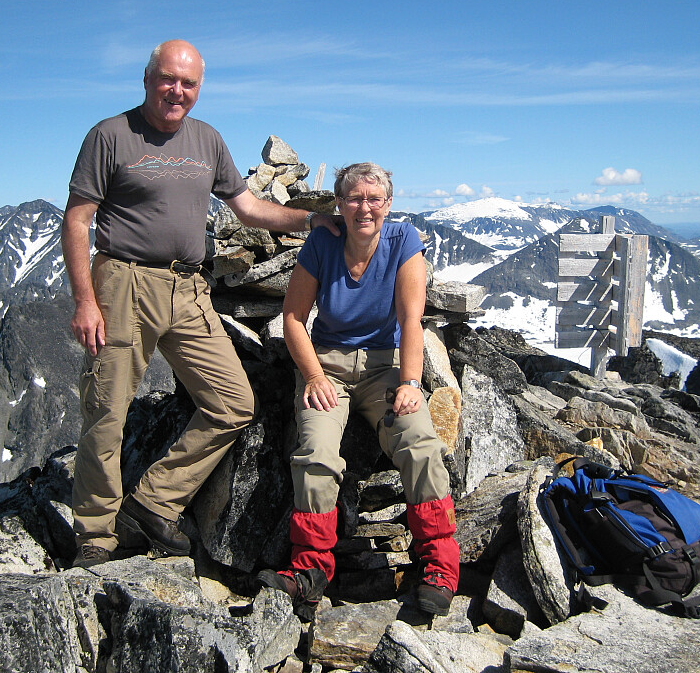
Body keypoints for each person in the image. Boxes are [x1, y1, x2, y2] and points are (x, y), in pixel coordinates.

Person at [62, 39, 338, 568]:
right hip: (123, 283)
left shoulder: (206, 140)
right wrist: (85, 300)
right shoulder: (109, 136)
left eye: (188, 84)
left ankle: (151, 503)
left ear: (199, 88)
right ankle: (95, 535)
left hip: (188, 287)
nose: (176, 91)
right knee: (106, 411)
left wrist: (311, 221)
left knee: (233, 402)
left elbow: (250, 208)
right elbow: (77, 220)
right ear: (148, 80)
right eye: (168, 79)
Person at [257, 162, 460, 618]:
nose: (363, 207)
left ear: (388, 204)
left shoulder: (404, 241)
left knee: (420, 444)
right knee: (316, 452)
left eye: (374, 198)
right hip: (325, 363)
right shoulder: (322, 242)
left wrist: (410, 382)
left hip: (385, 367)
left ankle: (440, 569)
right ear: (339, 204)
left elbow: (412, 319)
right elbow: (293, 319)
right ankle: (310, 569)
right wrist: (313, 377)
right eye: (353, 198)